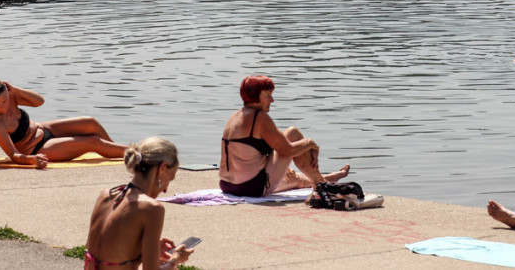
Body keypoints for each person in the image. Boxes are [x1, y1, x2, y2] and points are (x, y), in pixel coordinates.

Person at [219, 75, 350, 197]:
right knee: (294, 134)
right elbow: (288, 151)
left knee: (293, 178)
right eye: (268, 96)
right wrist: (310, 143)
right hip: (251, 187)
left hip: (227, 185)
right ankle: (322, 185)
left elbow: (269, 147)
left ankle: (327, 179)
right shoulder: (260, 118)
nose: (272, 100)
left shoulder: (235, 116)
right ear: (255, 96)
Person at [85, 137, 193, 270]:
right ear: (162, 168)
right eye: (169, 179)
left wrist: (146, 251)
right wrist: (176, 259)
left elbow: (107, 256)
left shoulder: (106, 195)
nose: (165, 190)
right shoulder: (151, 208)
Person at [0, 79, 127, 169]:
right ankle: (135, 152)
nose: (3, 106)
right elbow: (14, 155)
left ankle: (116, 152)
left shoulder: (11, 95)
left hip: (44, 128)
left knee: (91, 123)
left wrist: (16, 89)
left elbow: (39, 101)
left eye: (4, 101)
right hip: (36, 148)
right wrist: (32, 160)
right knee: (92, 142)